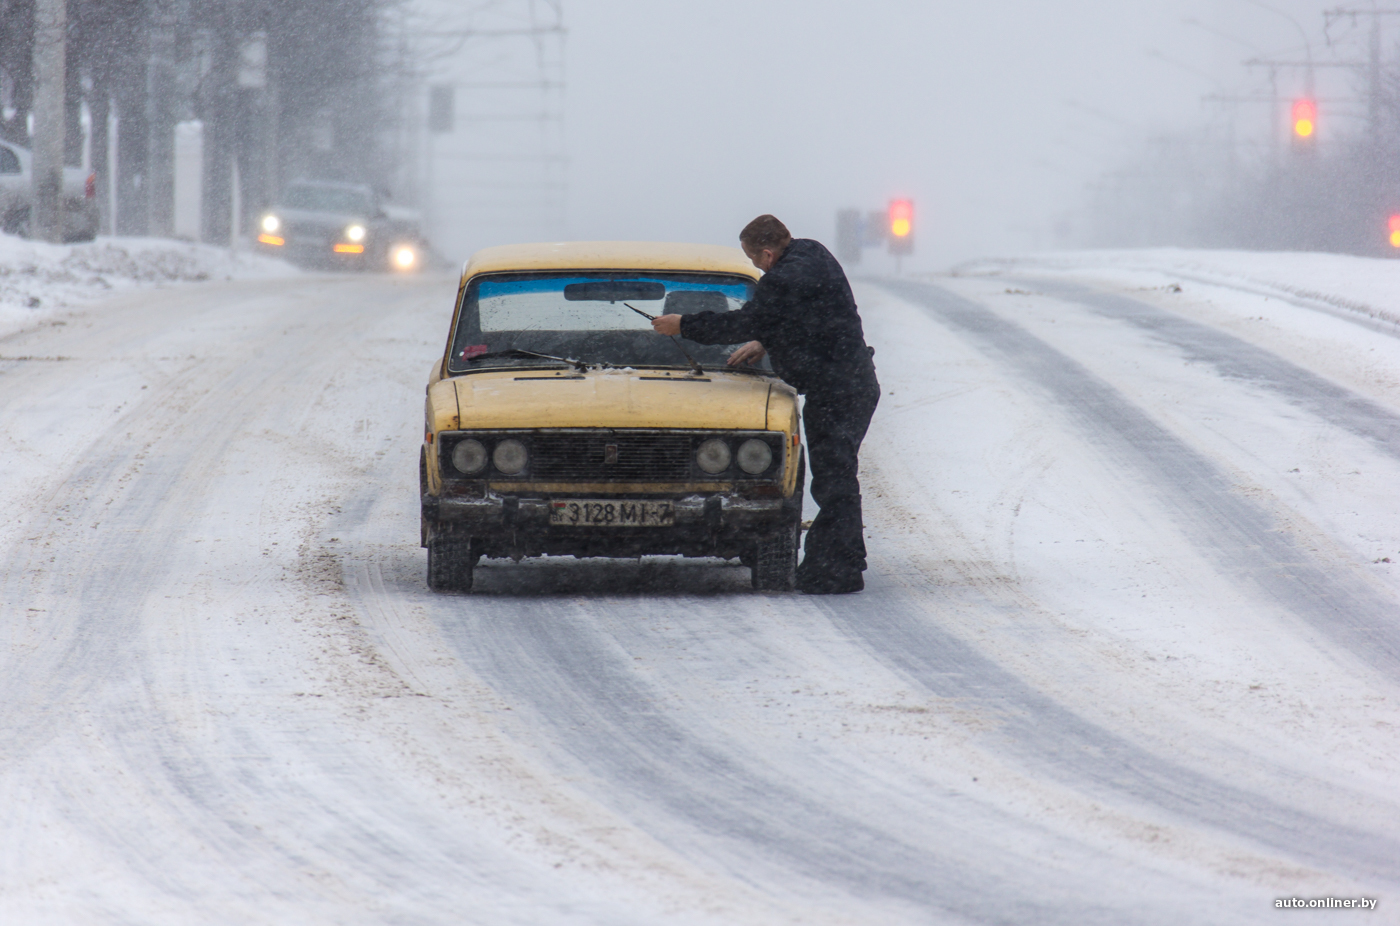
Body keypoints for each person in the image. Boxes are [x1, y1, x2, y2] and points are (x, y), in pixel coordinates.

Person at [651, 215, 880, 594]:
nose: (757, 267)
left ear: (769, 253)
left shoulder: (783, 279)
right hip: (852, 382)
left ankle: (838, 571)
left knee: (835, 480)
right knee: (838, 477)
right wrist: (768, 339)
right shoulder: (813, 254)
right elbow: (809, 316)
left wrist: (684, 325)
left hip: (837, 390)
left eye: (755, 260)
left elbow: (742, 322)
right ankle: (842, 560)